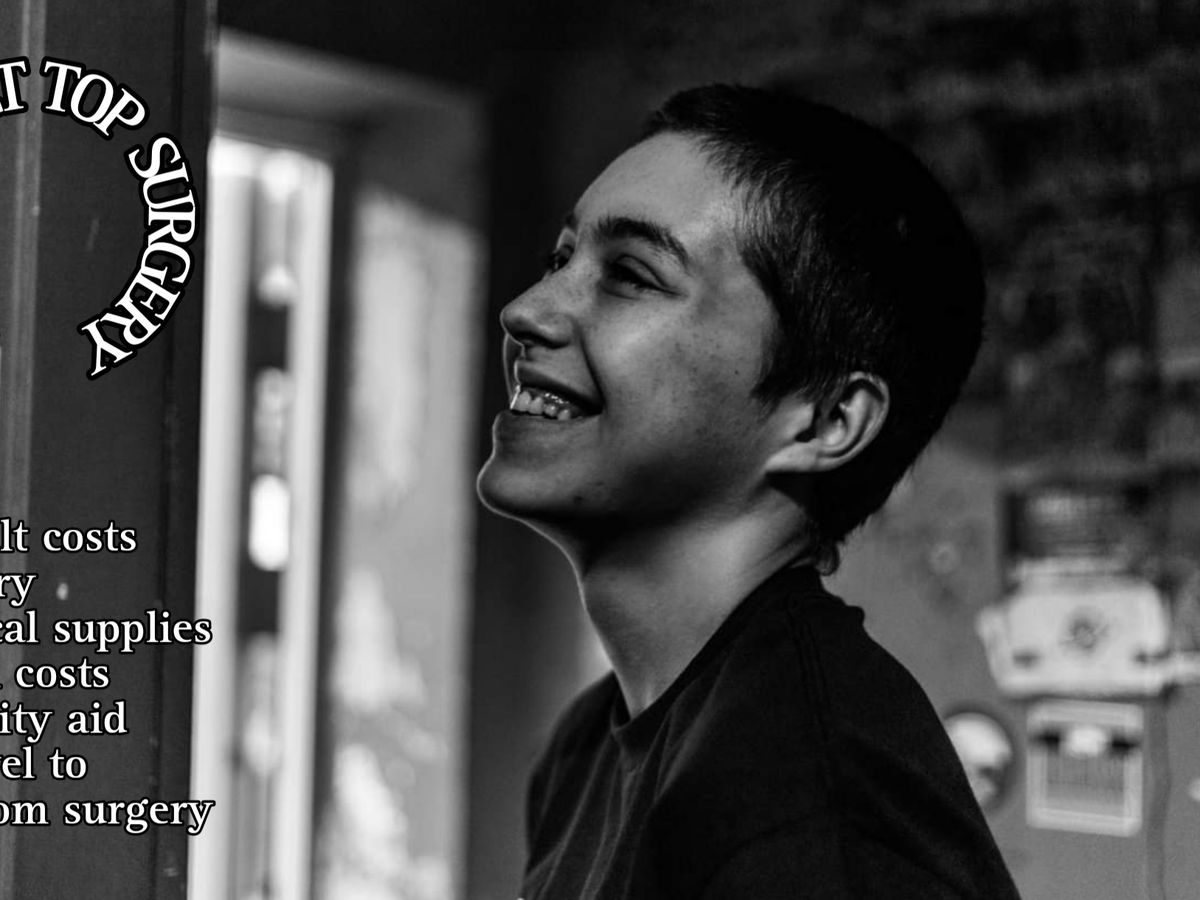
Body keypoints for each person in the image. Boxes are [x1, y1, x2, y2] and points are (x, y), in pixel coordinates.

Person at [477, 84, 1021, 900]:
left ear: (826, 420)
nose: (525, 311)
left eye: (631, 275)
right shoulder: (588, 747)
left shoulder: (814, 810)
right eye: (560, 261)